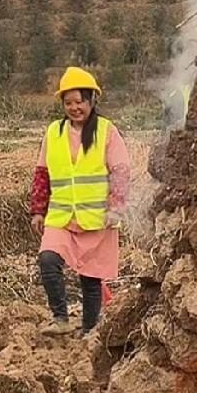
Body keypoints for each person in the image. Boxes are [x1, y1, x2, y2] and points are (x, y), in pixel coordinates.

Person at [30, 68, 130, 336]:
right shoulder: (54, 132)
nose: (74, 108)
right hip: (61, 216)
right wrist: (38, 211)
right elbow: (42, 173)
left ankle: (89, 328)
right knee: (48, 260)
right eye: (68, 103)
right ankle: (60, 317)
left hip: (96, 218)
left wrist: (116, 208)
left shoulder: (106, 131)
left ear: (91, 101)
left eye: (79, 102)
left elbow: (120, 170)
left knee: (91, 278)